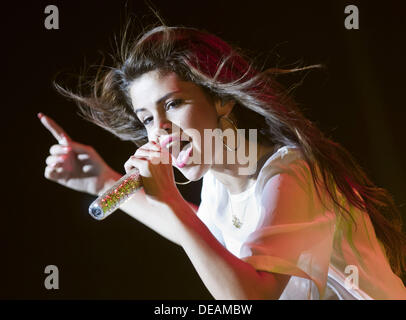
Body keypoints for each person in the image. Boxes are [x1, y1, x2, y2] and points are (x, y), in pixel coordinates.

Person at [39, 24, 406, 299]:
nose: (160, 129)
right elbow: (201, 233)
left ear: (221, 99)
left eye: (173, 104)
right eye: (147, 118)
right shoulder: (221, 178)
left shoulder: (292, 173)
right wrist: (101, 181)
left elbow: (247, 298)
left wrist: (169, 200)